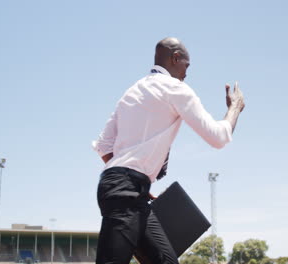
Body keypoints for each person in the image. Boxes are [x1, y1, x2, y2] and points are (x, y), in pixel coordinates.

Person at [92, 37, 245, 264]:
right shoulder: (176, 89)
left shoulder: (132, 91)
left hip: (128, 190)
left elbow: (104, 146)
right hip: (126, 192)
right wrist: (235, 108)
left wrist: (136, 175)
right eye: (186, 65)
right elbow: (218, 137)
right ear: (175, 58)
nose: (186, 72)